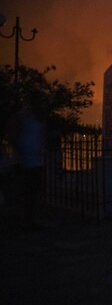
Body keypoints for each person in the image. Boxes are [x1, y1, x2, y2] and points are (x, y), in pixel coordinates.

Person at [6, 91, 48, 231]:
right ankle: (23, 221)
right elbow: (12, 134)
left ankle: (29, 221)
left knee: (33, 192)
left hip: (36, 160)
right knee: (24, 192)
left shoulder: (39, 118)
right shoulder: (22, 116)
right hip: (24, 161)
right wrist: (18, 154)